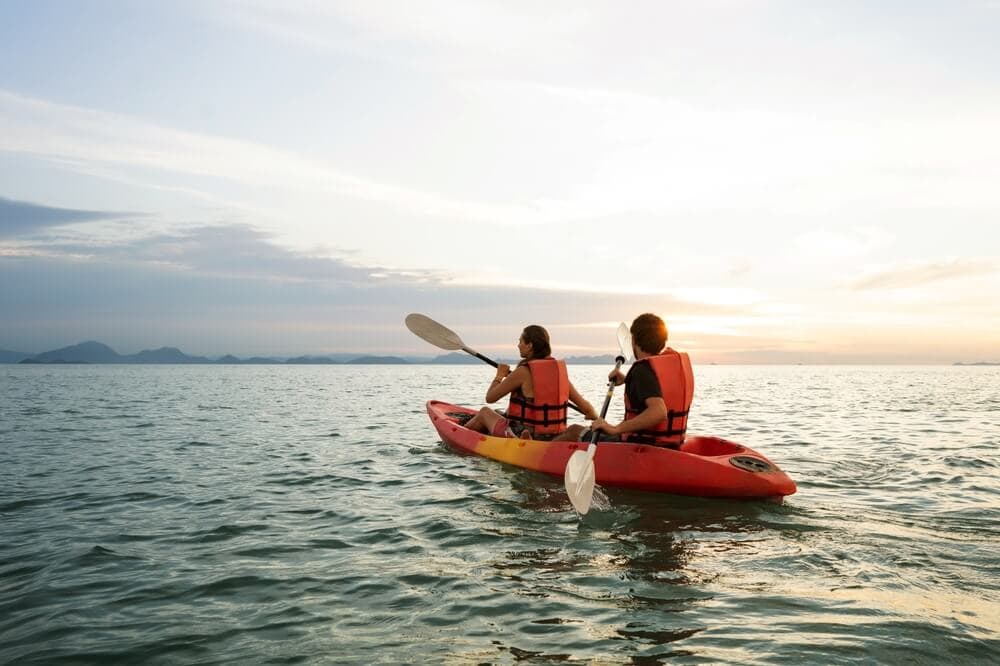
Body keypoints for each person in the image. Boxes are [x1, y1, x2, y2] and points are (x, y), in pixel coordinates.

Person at [464, 325, 597, 441]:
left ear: (530, 345)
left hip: (519, 433)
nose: (518, 345)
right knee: (504, 412)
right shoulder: (558, 373)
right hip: (553, 435)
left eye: (520, 341)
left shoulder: (523, 371)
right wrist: (592, 414)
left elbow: (490, 398)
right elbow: (586, 407)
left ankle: (461, 436)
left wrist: (499, 375)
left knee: (484, 412)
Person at [590, 313, 694, 447]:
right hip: (670, 445)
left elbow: (659, 411)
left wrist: (616, 428)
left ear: (633, 340)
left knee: (574, 431)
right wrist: (628, 380)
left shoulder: (642, 370)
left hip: (641, 447)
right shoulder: (660, 367)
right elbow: (654, 388)